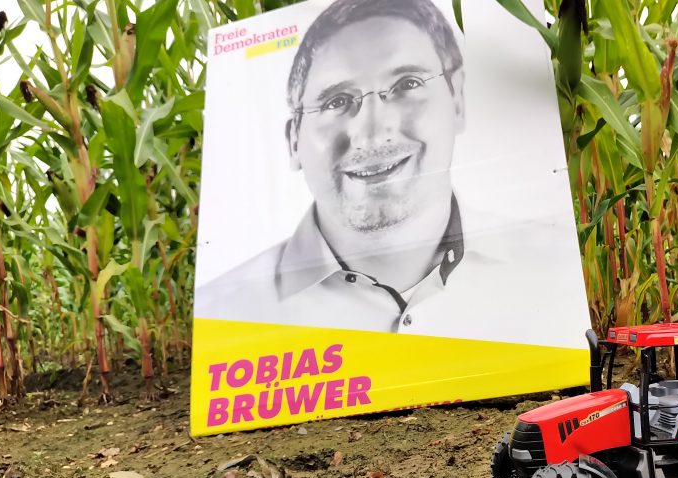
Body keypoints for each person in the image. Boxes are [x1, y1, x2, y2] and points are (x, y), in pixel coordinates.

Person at [195, 0, 586, 346]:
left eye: (407, 84)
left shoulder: (552, 273)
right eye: (336, 100)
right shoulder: (225, 312)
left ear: (458, 101)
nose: (371, 131)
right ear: (294, 140)